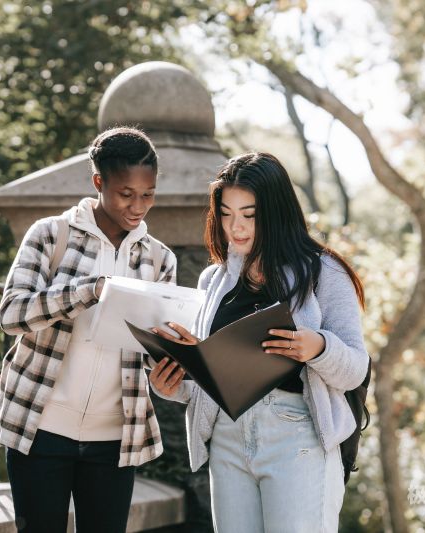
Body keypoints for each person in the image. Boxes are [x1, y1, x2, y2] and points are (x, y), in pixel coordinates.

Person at [149, 152, 369, 533]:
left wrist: (317, 347)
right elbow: (217, 377)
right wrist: (174, 385)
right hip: (227, 440)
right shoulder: (212, 282)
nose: (236, 227)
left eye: (249, 214)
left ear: (276, 211)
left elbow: (355, 369)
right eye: (226, 213)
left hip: (297, 436)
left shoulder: (324, 272)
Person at [0, 126, 177, 533]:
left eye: (147, 194)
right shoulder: (50, 234)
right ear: (99, 182)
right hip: (41, 429)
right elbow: (11, 314)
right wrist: (88, 291)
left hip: (115, 438)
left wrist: (172, 354)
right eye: (125, 194)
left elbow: (149, 350)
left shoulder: (159, 259)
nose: (138, 206)